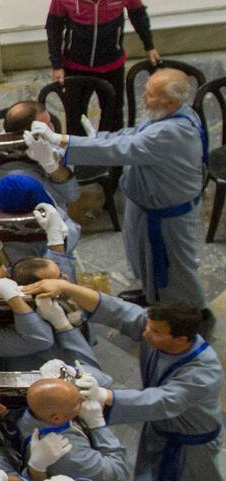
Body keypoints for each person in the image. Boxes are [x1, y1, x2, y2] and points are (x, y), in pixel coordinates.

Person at [25, 279, 224, 481]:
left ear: (181, 340)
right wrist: (64, 286)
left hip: (187, 443)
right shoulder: (160, 331)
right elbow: (119, 311)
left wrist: (103, 395)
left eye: (154, 331)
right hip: (165, 431)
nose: (145, 333)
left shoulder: (203, 372)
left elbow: (160, 401)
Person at [37, 66, 205, 304]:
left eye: (150, 94)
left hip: (168, 215)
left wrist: (63, 143)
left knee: (174, 268)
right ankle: (153, 294)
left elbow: (124, 149)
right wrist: (98, 138)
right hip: (146, 202)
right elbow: (133, 134)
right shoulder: (167, 113)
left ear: (170, 102)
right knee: (143, 256)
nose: (144, 98)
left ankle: (187, 312)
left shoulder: (172, 131)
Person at [44, 0, 158, 132]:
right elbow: (53, 28)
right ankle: (79, 159)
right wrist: (57, 64)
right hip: (76, 66)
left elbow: (138, 16)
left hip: (111, 65)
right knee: (75, 117)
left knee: (113, 115)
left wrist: (149, 46)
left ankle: (112, 160)